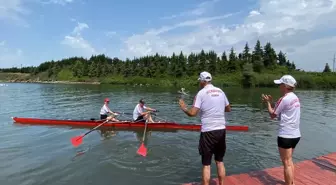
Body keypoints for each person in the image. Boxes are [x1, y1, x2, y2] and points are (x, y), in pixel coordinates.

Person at [178, 71, 231, 185]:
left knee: (206, 164)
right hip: (221, 129)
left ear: (202, 81)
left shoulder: (201, 93)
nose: (199, 83)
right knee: (220, 161)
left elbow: (192, 113)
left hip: (208, 131)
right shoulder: (221, 91)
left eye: (200, 81)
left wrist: (183, 108)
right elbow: (228, 109)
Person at [261, 75, 301, 185]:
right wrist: (274, 103)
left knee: (286, 162)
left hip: (285, 135)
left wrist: (268, 103)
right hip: (296, 135)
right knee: (289, 160)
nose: (279, 87)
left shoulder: (284, 99)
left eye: (280, 84)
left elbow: (273, 115)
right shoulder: (295, 97)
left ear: (285, 86)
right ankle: (291, 182)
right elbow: (282, 111)